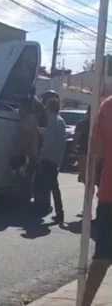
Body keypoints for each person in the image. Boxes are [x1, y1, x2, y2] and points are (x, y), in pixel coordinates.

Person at [80, 97, 112, 306]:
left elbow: (97, 150)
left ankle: (85, 304)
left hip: (110, 193)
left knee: (102, 254)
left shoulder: (108, 106)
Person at [32, 98, 66, 222]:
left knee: (39, 185)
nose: (45, 109)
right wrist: (41, 131)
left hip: (48, 158)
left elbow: (49, 142)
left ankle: (41, 208)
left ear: (50, 107)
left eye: (46, 106)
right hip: (56, 158)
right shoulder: (60, 121)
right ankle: (59, 212)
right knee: (53, 187)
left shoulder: (52, 121)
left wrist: (40, 155)